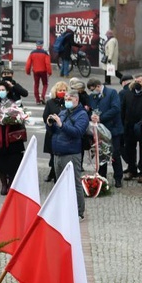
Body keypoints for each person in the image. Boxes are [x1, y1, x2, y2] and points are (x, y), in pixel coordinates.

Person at [46, 89, 89, 219]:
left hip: (71, 153)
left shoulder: (82, 115)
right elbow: (55, 131)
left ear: (76, 100)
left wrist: (61, 124)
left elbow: (77, 132)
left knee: (75, 183)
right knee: (60, 183)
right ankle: (63, 209)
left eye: (69, 99)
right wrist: (50, 124)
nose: (67, 101)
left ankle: (78, 212)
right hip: (58, 152)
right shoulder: (64, 112)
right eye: (66, 99)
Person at [0, 82, 27, 195]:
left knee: (13, 162)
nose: (1, 92)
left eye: (3, 89)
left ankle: (12, 183)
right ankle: (4, 184)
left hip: (12, 137)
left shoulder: (14, 102)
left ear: (8, 91)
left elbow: (22, 116)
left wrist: (14, 118)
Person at [86, 78, 124, 188]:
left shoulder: (112, 93)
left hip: (113, 128)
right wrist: (91, 116)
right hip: (99, 130)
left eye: (93, 90)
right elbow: (89, 109)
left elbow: (116, 108)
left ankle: (118, 178)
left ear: (98, 86)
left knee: (115, 154)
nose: (92, 92)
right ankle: (102, 177)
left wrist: (101, 118)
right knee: (101, 154)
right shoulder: (92, 96)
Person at [42, 81, 69, 182]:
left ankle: (54, 174)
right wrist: (51, 122)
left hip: (64, 131)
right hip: (52, 132)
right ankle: (53, 173)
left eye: (64, 90)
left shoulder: (68, 102)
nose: (62, 92)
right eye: (60, 90)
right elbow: (45, 116)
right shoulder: (50, 102)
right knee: (53, 155)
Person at [25, 40, 52, 105]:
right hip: (43, 71)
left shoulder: (32, 53)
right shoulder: (45, 53)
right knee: (45, 84)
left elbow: (28, 63)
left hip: (35, 71)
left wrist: (28, 71)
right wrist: (49, 72)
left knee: (36, 85)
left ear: (36, 45)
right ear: (42, 45)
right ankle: (42, 96)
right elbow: (47, 63)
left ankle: (37, 100)